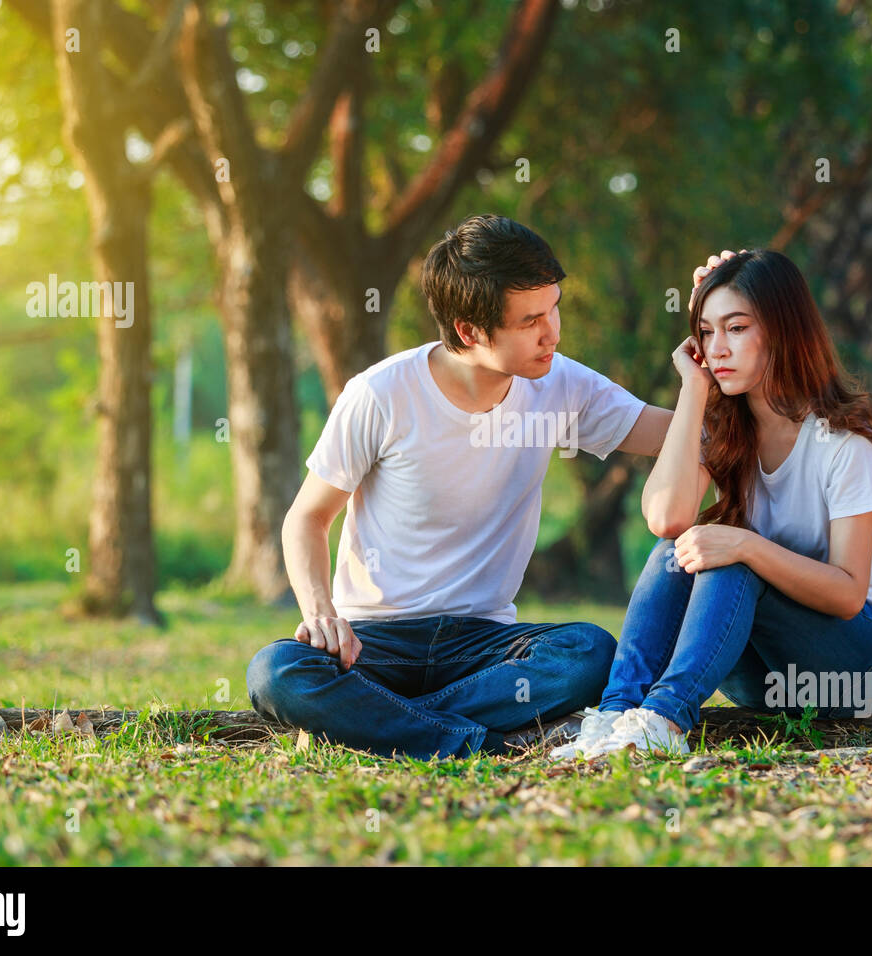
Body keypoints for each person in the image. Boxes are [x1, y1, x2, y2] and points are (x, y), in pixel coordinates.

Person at [245, 215, 673, 759]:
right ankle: (481, 740)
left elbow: (672, 435)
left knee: (586, 651)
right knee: (276, 671)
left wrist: (708, 368)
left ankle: (376, 723)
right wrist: (320, 613)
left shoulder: (561, 383)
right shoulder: (380, 394)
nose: (553, 333)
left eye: (555, 307)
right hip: (375, 643)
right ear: (470, 330)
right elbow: (306, 517)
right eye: (530, 321)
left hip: (485, 645)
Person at [551, 248, 872, 759]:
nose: (717, 348)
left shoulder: (843, 444)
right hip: (763, 676)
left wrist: (747, 546)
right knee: (679, 547)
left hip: (861, 665)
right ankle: (615, 714)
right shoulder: (728, 434)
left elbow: (849, 594)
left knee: (732, 554)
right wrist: (693, 389)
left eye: (737, 328)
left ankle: (663, 721)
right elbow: (665, 518)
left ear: (782, 331)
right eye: (705, 331)